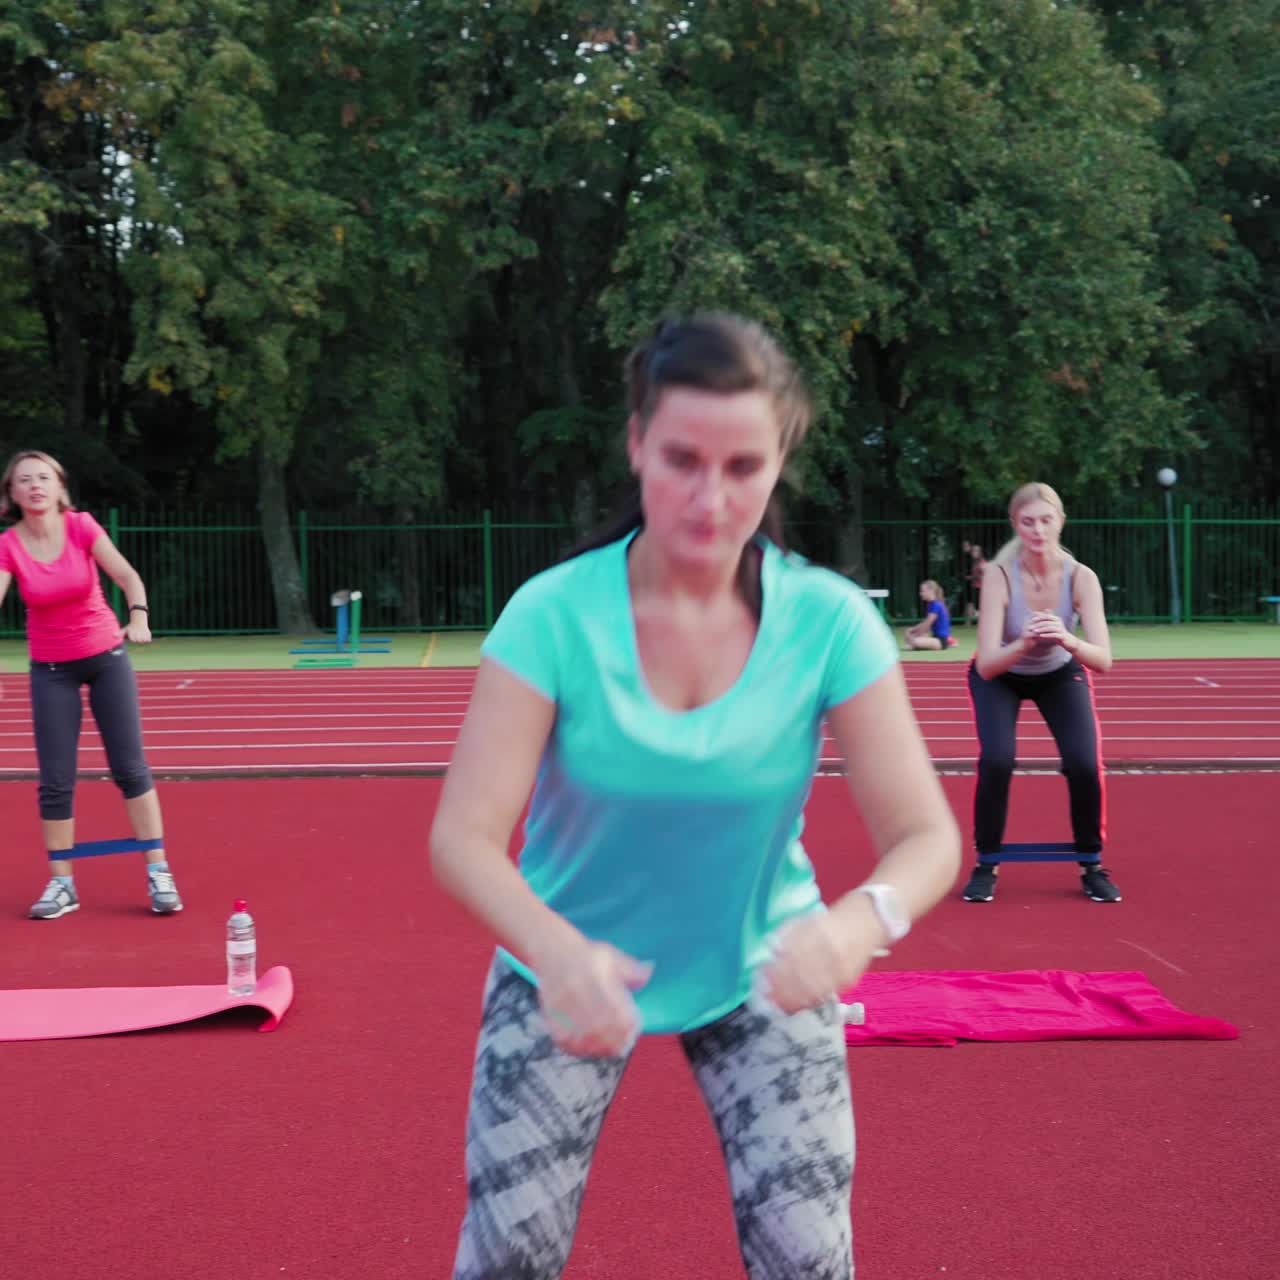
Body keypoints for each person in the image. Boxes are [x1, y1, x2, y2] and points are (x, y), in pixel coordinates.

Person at [430, 313, 960, 1279]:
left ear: (780, 462)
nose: (711, 500)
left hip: (765, 964)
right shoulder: (552, 616)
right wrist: (553, 951)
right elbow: (464, 835)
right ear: (635, 442)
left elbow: (925, 837)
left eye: (744, 466)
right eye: (681, 458)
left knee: (809, 1261)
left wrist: (855, 926)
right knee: (508, 1256)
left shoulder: (831, 624)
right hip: (568, 963)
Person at [0, 450, 181, 919]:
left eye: (44, 477)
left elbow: (127, 576)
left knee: (130, 768)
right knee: (55, 782)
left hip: (106, 659)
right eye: (25, 480)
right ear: (12, 494)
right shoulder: (8, 546)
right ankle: (63, 884)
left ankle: (158, 870)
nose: (35, 485)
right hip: (51, 670)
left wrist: (137, 616)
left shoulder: (81, 526)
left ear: (60, 488)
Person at [961, 482, 1117, 905]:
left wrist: (1067, 639)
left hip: (1059, 671)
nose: (1038, 530)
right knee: (997, 759)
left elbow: (1102, 659)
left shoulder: (1081, 578)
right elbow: (987, 663)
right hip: (1002, 675)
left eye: (1046, 520)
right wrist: (1026, 643)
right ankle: (986, 861)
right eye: (1027, 522)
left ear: (1061, 522)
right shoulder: (999, 576)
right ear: (1015, 525)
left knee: (1084, 763)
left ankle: (1091, 862)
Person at [902, 579, 957, 650]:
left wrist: (914, 634)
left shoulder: (936, 605)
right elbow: (925, 622)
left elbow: (927, 625)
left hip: (941, 641)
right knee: (909, 635)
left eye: (922, 591)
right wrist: (912, 630)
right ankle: (949, 641)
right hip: (935, 637)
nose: (920, 593)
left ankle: (949, 641)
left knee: (914, 641)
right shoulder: (930, 604)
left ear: (931, 591)